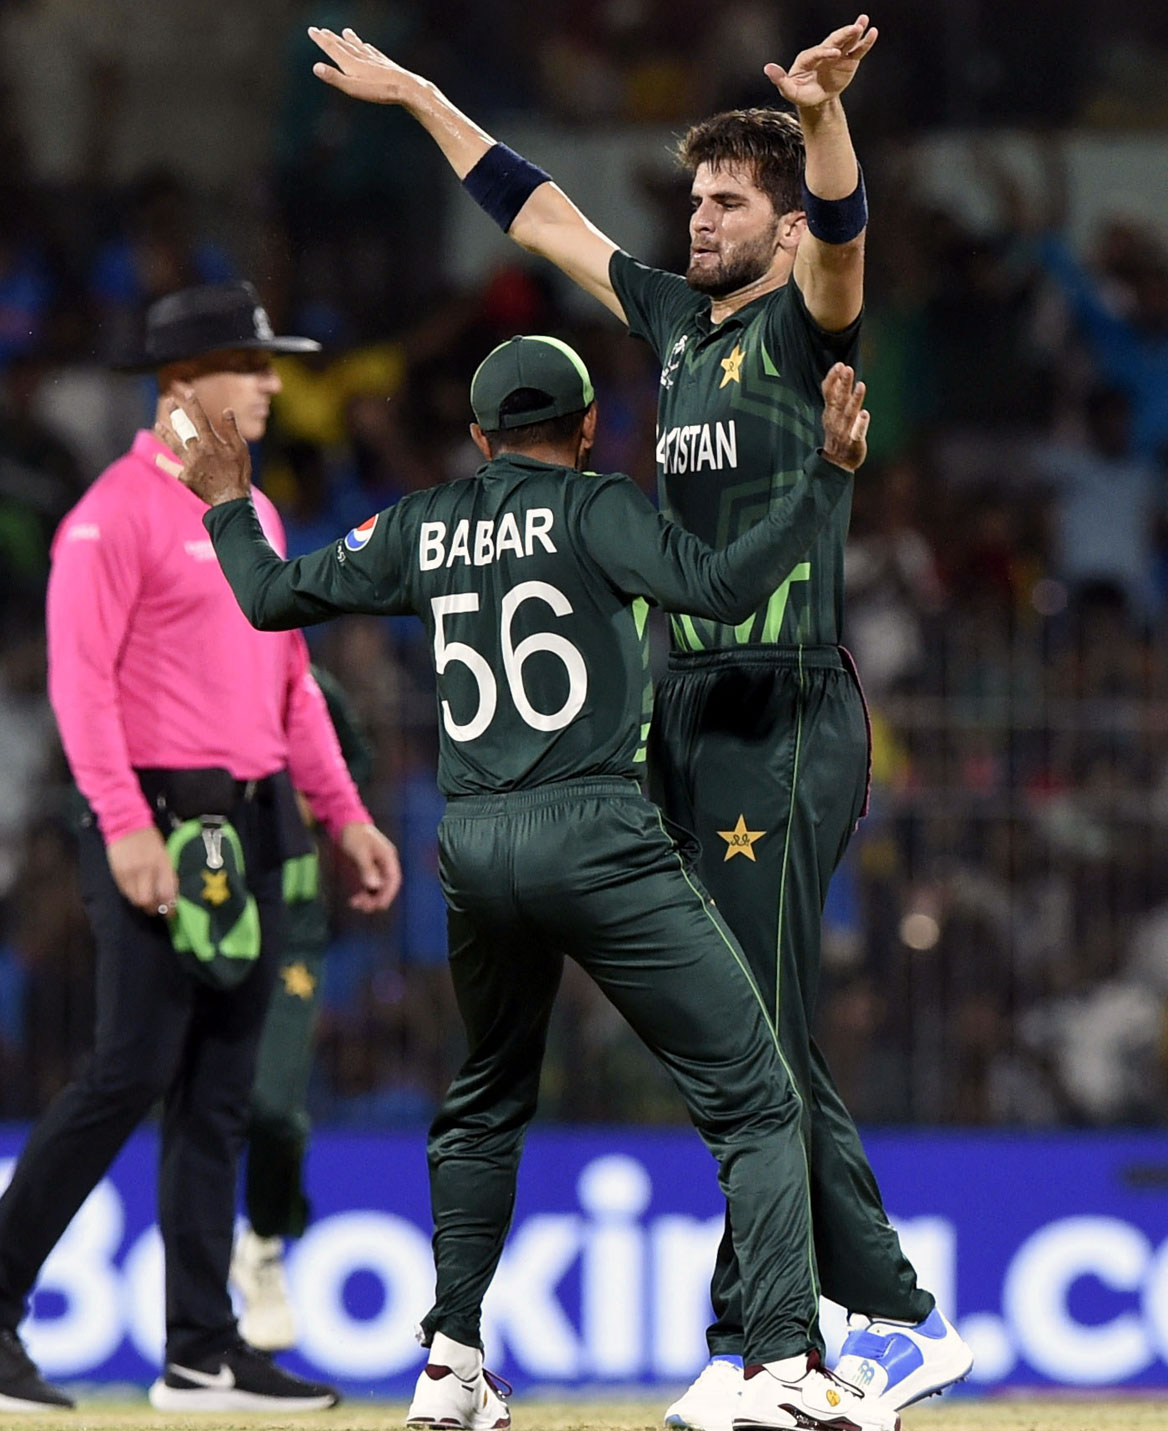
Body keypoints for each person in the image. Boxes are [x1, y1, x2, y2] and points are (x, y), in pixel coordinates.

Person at [305, 16, 972, 1430]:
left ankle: (884, 1324)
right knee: (732, 1038)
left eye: (730, 202)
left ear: (783, 232)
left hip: (780, 703)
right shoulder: (674, 323)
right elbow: (539, 212)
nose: (700, 218)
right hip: (682, 712)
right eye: (696, 200)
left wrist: (827, 114)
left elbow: (850, 224)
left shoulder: (807, 319)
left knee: (765, 1032)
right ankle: (779, 1334)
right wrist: (424, 95)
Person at [162, 337, 897, 1431]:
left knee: (486, 1097)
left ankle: (451, 1361)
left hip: (475, 845)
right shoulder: (599, 509)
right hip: (598, 831)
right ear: (591, 426)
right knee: (757, 1091)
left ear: (477, 439)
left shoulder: (420, 521)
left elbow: (269, 598)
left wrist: (227, 502)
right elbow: (729, 583)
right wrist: (826, 478)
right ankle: (782, 1364)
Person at [0, 280, 401, 1415]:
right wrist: (122, 826)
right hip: (161, 819)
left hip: (253, 817)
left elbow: (293, 682)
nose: (270, 385)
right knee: (126, 1073)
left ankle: (201, 1352)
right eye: (249, 367)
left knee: (217, 1092)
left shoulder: (249, 516)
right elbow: (80, 688)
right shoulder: (109, 517)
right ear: (181, 385)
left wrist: (343, 812)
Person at [231, 664, 376, 1352]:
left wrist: (316, 802)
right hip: (199, 913)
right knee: (191, 1102)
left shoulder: (307, 683)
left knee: (274, 1106)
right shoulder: (172, 668)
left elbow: (356, 761)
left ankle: (262, 1244)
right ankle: (198, 1302)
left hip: (291, 924)